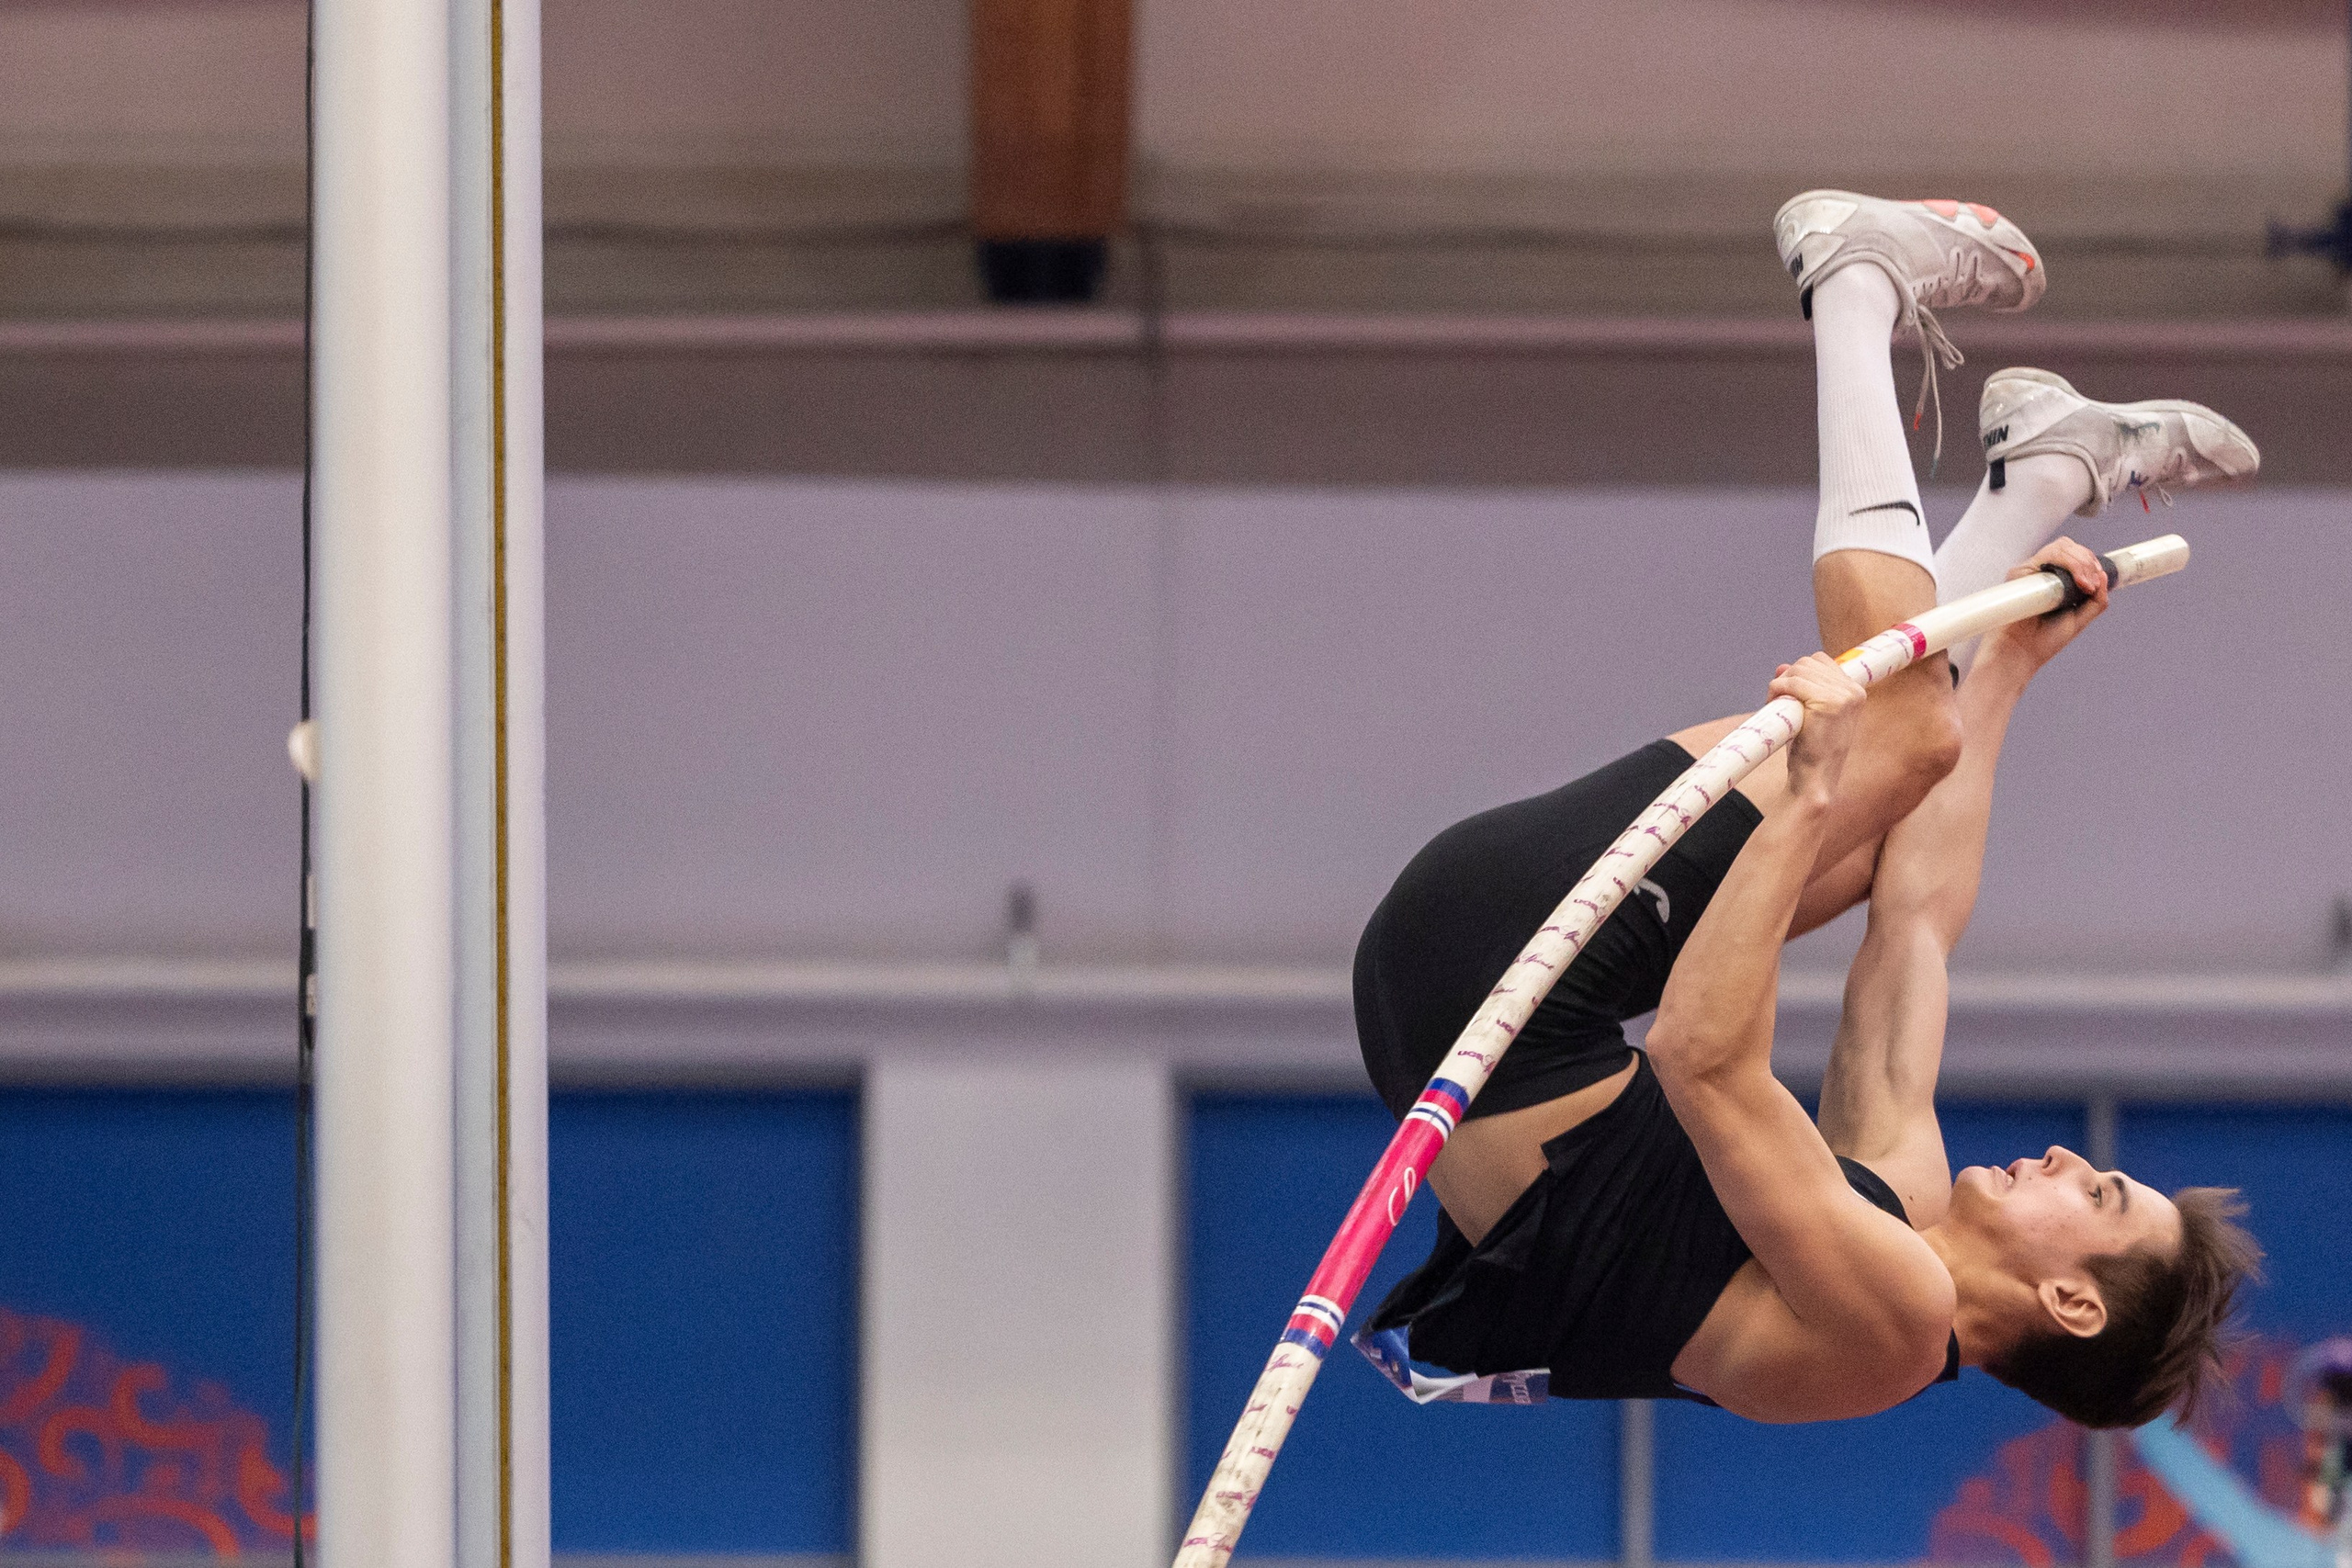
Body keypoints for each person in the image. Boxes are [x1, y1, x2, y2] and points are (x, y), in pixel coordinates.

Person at [1356, 191, 2262, 1427]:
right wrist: (2003, 674)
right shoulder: (1895, 1198)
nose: (2065, 1159)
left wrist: (1821, 788)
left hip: (1491, 978)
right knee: (1890, 809)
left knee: (1887, 743)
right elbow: (1914, 927)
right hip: (1486, 990)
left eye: (2097, 1193)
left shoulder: (1887, 1327)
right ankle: (2042, 477)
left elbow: (1702, 1056)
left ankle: (1854, 283)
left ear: (2074, 1305)